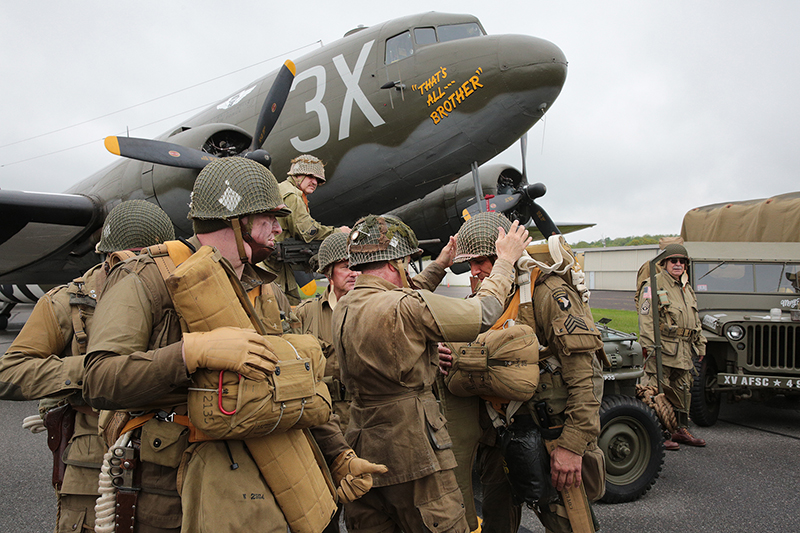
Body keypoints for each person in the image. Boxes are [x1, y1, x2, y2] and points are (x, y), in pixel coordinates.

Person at [82, 157, 382, 533]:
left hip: (265, 478)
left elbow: (291, 386)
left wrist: (338, 455)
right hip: (171, 492)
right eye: (268, 218)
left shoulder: (268, 289)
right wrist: (191, 353)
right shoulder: (146, 278)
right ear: (234, 220)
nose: (278, 227)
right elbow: (100, 381)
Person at [332, 214, 531, 533]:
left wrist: (439, 265)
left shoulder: (346, 305)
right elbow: (484, 312)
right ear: (397, 263)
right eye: (408, 262)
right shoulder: (404, 307)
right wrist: (506, 259)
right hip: (413, 454)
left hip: (363, 449)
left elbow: (405, 302)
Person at [0, 199, 175, 533]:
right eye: (126, 261)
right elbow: (8, 373)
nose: (136, 271)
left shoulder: (179, 293)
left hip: (166, 450)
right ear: (107, 258)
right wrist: (97, 370)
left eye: (148, 261)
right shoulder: (66, 302)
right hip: (91, 459)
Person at [439, 211, 606, 533]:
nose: (474, 271)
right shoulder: (484, 299)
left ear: (507, 255)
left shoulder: (548, 293)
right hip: (497, 435)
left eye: (483, 261)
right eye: (469, 264)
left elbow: (586, 376)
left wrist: (572, 445)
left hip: (550, 434)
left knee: (570, 524)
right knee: (497, 523)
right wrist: (450, 356)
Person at [637, 243, 707, 450]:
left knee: (683, 390)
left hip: (684, 349)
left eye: (681, 261)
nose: (678, 264)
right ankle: (657, 432)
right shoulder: (652, 285)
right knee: (656, 392)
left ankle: (680, 429)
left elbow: (695, 319)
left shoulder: (686, 288)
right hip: (663, 348)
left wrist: (700, 345)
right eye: (673, 261)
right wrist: (650, 347)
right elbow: (646, 318)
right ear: (665, 263)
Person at [262, 154, 350, 304]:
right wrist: (339, 232)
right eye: (310, 177)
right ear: (297, 175)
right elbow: (308, 232)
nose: (314, 182)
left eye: (318, 180)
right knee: (282, 310)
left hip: (276, 265)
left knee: (290, 307)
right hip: (272, 267)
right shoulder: (292, 195)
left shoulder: (285, 189)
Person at [296, 231, 358, 434]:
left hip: (364, 419)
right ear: (328, 273)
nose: (354, 273)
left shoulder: (375, 309)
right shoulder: (306, 313)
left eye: (358, 267)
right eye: (347, 267)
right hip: (322, 420)